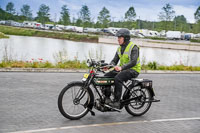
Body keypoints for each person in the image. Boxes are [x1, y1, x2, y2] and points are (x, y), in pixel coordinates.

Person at [104, 28, 141, 109]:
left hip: (133, 70)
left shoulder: (134, 47)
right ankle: (107, 98)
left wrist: (121, 67)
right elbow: (114, 61)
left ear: (126, 38)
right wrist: (109, 66)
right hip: (123, 69)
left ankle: (117, 102)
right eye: (118, 38)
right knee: (106, 76)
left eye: (120, 38)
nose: (118, 39)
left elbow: (133, 62)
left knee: (118, 78)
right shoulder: (119, 48)